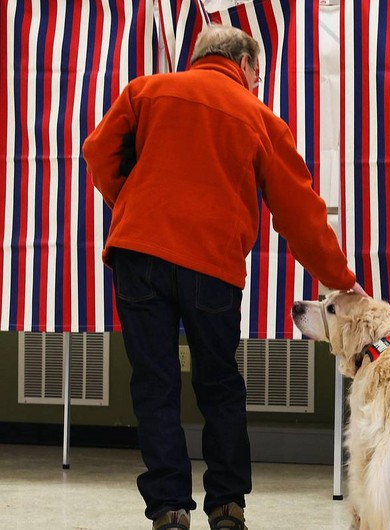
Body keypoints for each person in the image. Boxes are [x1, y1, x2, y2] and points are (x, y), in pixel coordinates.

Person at [83, 25, 365, 530]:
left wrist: (130, 202)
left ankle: (169, 508)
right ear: (243, 62)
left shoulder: (145, 91)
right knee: (219, 383)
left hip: (138, 255)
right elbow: (301, 214)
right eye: (258, 73)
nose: (258, 82)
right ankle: (227, 505)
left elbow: (98, 152)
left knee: (155, 381)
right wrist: (340, 279)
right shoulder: (260, 118)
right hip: (210, 265)